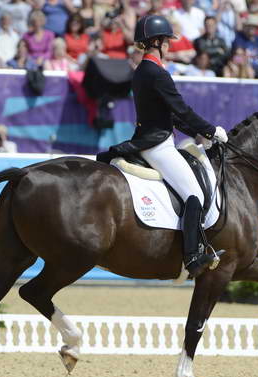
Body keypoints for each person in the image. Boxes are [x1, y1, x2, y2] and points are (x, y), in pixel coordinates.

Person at [96, 16, 228, 277]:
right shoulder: (157, 73)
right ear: (155, 41)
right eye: (166, 41)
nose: (169, 45)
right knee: (195, 195)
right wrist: (211, 130)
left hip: (151, 139)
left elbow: (173, 117)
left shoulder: (143, 71)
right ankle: (192, 257)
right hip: (158, 145)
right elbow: (182, 110)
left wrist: (204, 134)